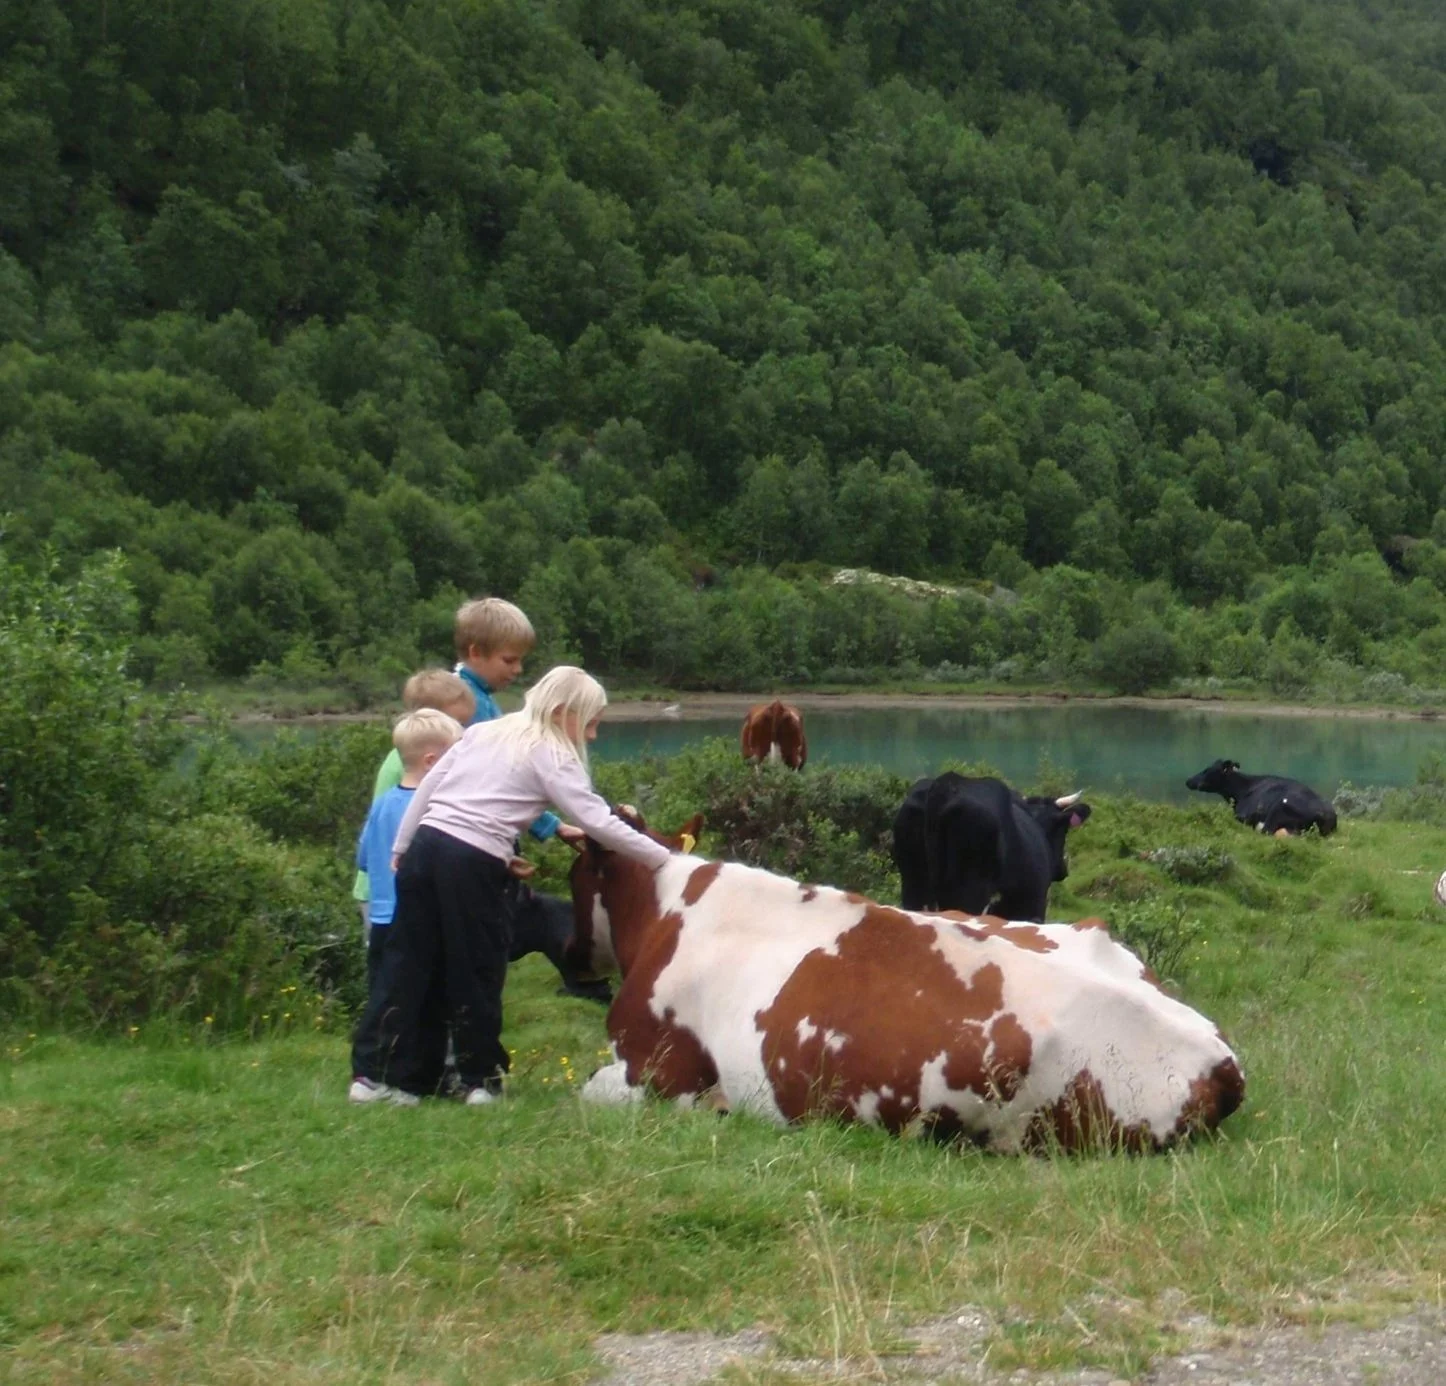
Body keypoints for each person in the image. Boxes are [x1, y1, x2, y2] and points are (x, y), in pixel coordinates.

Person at [348, 666, 674, 1107]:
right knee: (476, 967)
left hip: (426, 848)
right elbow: (596, 820)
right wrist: (667, 861)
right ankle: (479, 1081)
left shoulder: (487, 731)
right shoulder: (553, 752)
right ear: (563, 712)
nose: (593, 735)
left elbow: (430, 789)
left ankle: (379, 1078)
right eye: (591, 722)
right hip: (471, 863)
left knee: (406, 963)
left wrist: (403, 846)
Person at [451, 597, 612, 1004]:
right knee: (492, 942)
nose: (518, 670)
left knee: (529, 920)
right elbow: (496, 784)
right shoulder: (464, 706)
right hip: (469, 851)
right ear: (474, 653)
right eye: (510, 660)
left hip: (467, 848)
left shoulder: (477, 699)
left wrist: (552, 826)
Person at [352, 668, 476, 937]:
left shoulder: (396, 778)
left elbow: (366, 846)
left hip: (380, 898)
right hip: (400, 899)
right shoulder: (411, 778)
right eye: (456, 726)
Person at [353, 708, 464, 996]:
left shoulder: (382, 804)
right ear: (431, 762)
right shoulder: (435, 810)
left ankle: (382, 1040)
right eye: (457, 758)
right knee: (429, 1000)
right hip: (421, 921)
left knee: (383, 997)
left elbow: (364, 860)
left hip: (381, 920)